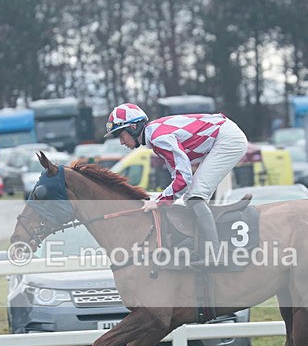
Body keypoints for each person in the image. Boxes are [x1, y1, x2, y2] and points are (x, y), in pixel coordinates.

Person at [105, 102, 248, 266]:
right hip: (224, 134)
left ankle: (215, 255)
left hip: (228, 139)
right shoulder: (155, 136)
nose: (121, 142)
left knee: (195, 196)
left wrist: (158, 202)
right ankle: (203, 247)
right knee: (193, 197)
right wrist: (162, 200)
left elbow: (183, 179)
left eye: (121, 135)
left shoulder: (158, 138)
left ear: (133, 127)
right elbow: (178, 178)